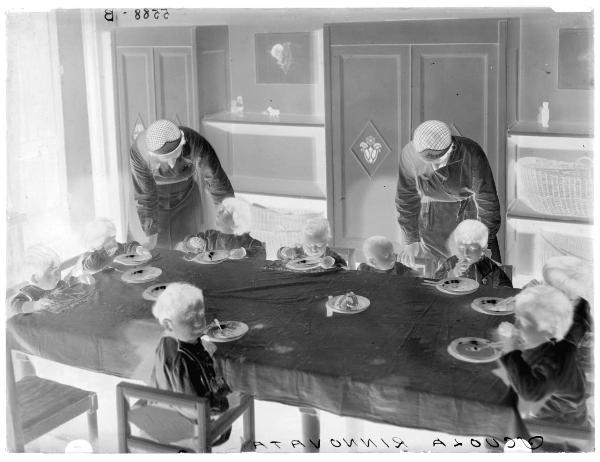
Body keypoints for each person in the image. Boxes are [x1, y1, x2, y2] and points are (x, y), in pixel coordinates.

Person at [396, 120, 501, 274]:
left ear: (451, 148)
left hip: (469, 219)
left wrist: (485, 242)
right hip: (431, 222)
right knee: (436, 277)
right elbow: (406, 197)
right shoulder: (409, 153)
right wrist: (411, 239)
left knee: (477, 276)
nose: (435, 167)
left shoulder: (471, 152)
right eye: (428, 161)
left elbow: (487, 200)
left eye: (439, 160)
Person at [130, 119, 234, 250]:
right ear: (152, 154)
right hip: (154, 201)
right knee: (158, 252)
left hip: (186, 196)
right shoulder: (139, 151)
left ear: (183, 142)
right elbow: (145, 195)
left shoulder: (195, 142)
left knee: (190, 248)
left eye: (176, 155)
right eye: (166, 159)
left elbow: (217, 182)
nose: (172, 163)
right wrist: (151, 238)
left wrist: (228, 223)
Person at [496, 285, 589, 428]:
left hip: (560, 427)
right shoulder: (556, 340)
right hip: (550, 407)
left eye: (525, 322)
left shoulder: (557, 358)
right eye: (517, 318)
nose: (518, 326)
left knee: (495, 413)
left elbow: (530, 392)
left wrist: (511, 352)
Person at [150, 283, 231, 446]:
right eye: (188, 318)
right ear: (168, 324)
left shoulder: (177, 339)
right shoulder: (181, 359)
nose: (198, 323)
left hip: (171, 403)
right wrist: (223, 403)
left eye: (201, 315)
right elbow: (192, 405)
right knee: (243, 389)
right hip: (188, 424)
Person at [175, 197, 265, 258]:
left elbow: (261, 252)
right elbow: (188, 245)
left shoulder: (246, 241)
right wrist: (191, 242)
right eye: (220, 209)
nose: (218, 212)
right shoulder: (209, 235)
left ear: (235, 222)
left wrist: (245, 252)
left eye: (224, 211)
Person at [434, 219, 512, 288]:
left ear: (482, 250)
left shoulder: (489, 267)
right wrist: (453, 273)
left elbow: (506, 286)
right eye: (461, 247)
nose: (466, 253)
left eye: (472, 248)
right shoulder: (450, 263)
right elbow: (435, 281)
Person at [78, 218, 150, 274]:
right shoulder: (91, 261)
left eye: (113, 238)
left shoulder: (114, 247)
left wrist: (138, 249)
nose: (114, 242)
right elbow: (92, 268)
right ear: (96, 246)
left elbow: (126, 247)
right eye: (108, 240)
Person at [277, 217, 347, 268]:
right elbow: (279, 255)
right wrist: (285, 251)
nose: (314, 249)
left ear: (326, 243)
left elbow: (344, 267)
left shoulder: (329, 254)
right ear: (302, 242)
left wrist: (333, 264)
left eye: (319, 245)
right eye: (308, 245)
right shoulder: (297, 251)